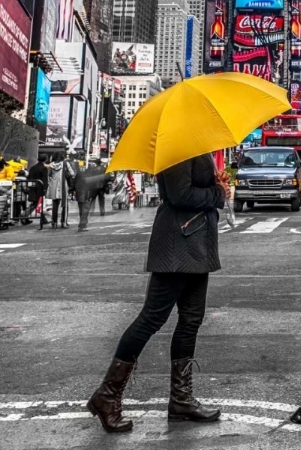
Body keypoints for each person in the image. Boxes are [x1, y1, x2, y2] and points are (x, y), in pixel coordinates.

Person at [88, 154, 230, 433]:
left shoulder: (196, 145)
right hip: (178, 245)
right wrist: (217, 192)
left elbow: (197, 190)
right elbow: (180, 194)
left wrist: (217, 184)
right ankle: (107, 395)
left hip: (197, 244)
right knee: (151, 318)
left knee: (191, 321)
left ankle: (181, 400)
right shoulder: (179, 147)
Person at [46, 153, 75, 229]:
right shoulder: (65, 163)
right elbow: (72, 174)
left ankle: (54, 223)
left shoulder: (51, 165)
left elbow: (49, 176)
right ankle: (63, 222)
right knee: (64, 205)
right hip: (63, 186)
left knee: (55, 205)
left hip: (54, 187)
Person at [27, 154, 49, 229]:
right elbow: (45, 179)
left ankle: (43, 219)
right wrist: (45, 188)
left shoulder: (33, 168)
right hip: (40, 188)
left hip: (33, 188)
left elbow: (29, 178)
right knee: (38, 203)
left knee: (36, 203)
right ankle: (24, 216)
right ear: (45, 160)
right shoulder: (44, 168)